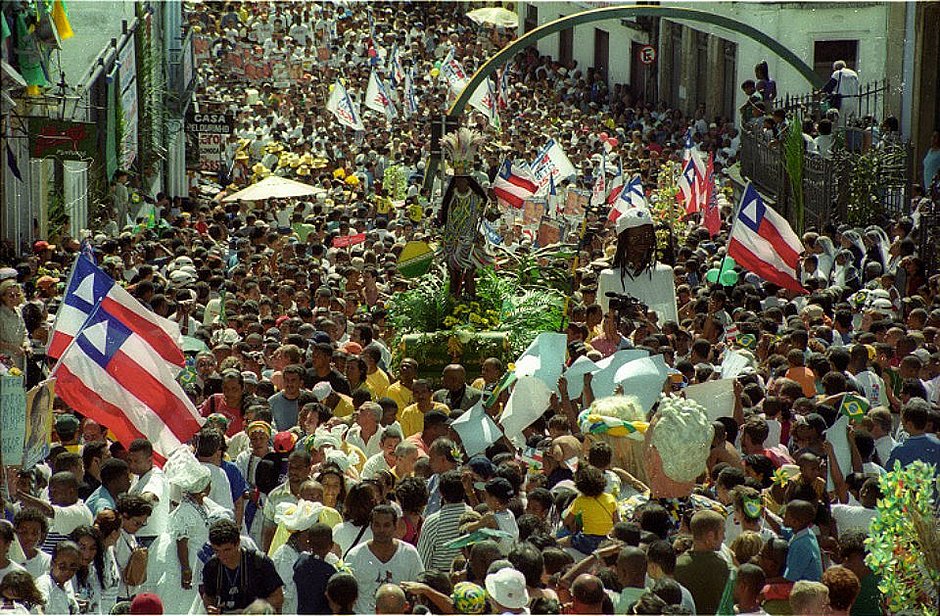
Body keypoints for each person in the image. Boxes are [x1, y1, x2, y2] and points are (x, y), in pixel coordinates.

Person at [344, 505, 424, 614]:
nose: (381, 530)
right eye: (377, 525)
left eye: (386, 525)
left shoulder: (410, 554)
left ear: (395, 526)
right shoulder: (355, 556)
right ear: (371, 526)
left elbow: (420, 590)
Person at [200, 519, 284, 614]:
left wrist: (250, 611)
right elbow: (208, 596)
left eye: (227, 550)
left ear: (238, 543)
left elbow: (278, 598)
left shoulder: (259, 563)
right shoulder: (212, 567)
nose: (222, 556)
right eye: (217, 551)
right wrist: (211, 608)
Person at [673, 510, 731, 615]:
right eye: (722, 532)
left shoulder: (677, 565)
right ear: (710, 536)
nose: (724, 538)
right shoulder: (721, 566)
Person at [35, 541, 82, 615]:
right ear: (53, 563)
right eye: (62, 566)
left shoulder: (67, 584)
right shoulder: (44, 584)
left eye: (73, 568)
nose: (67, 571)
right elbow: (39, 608)